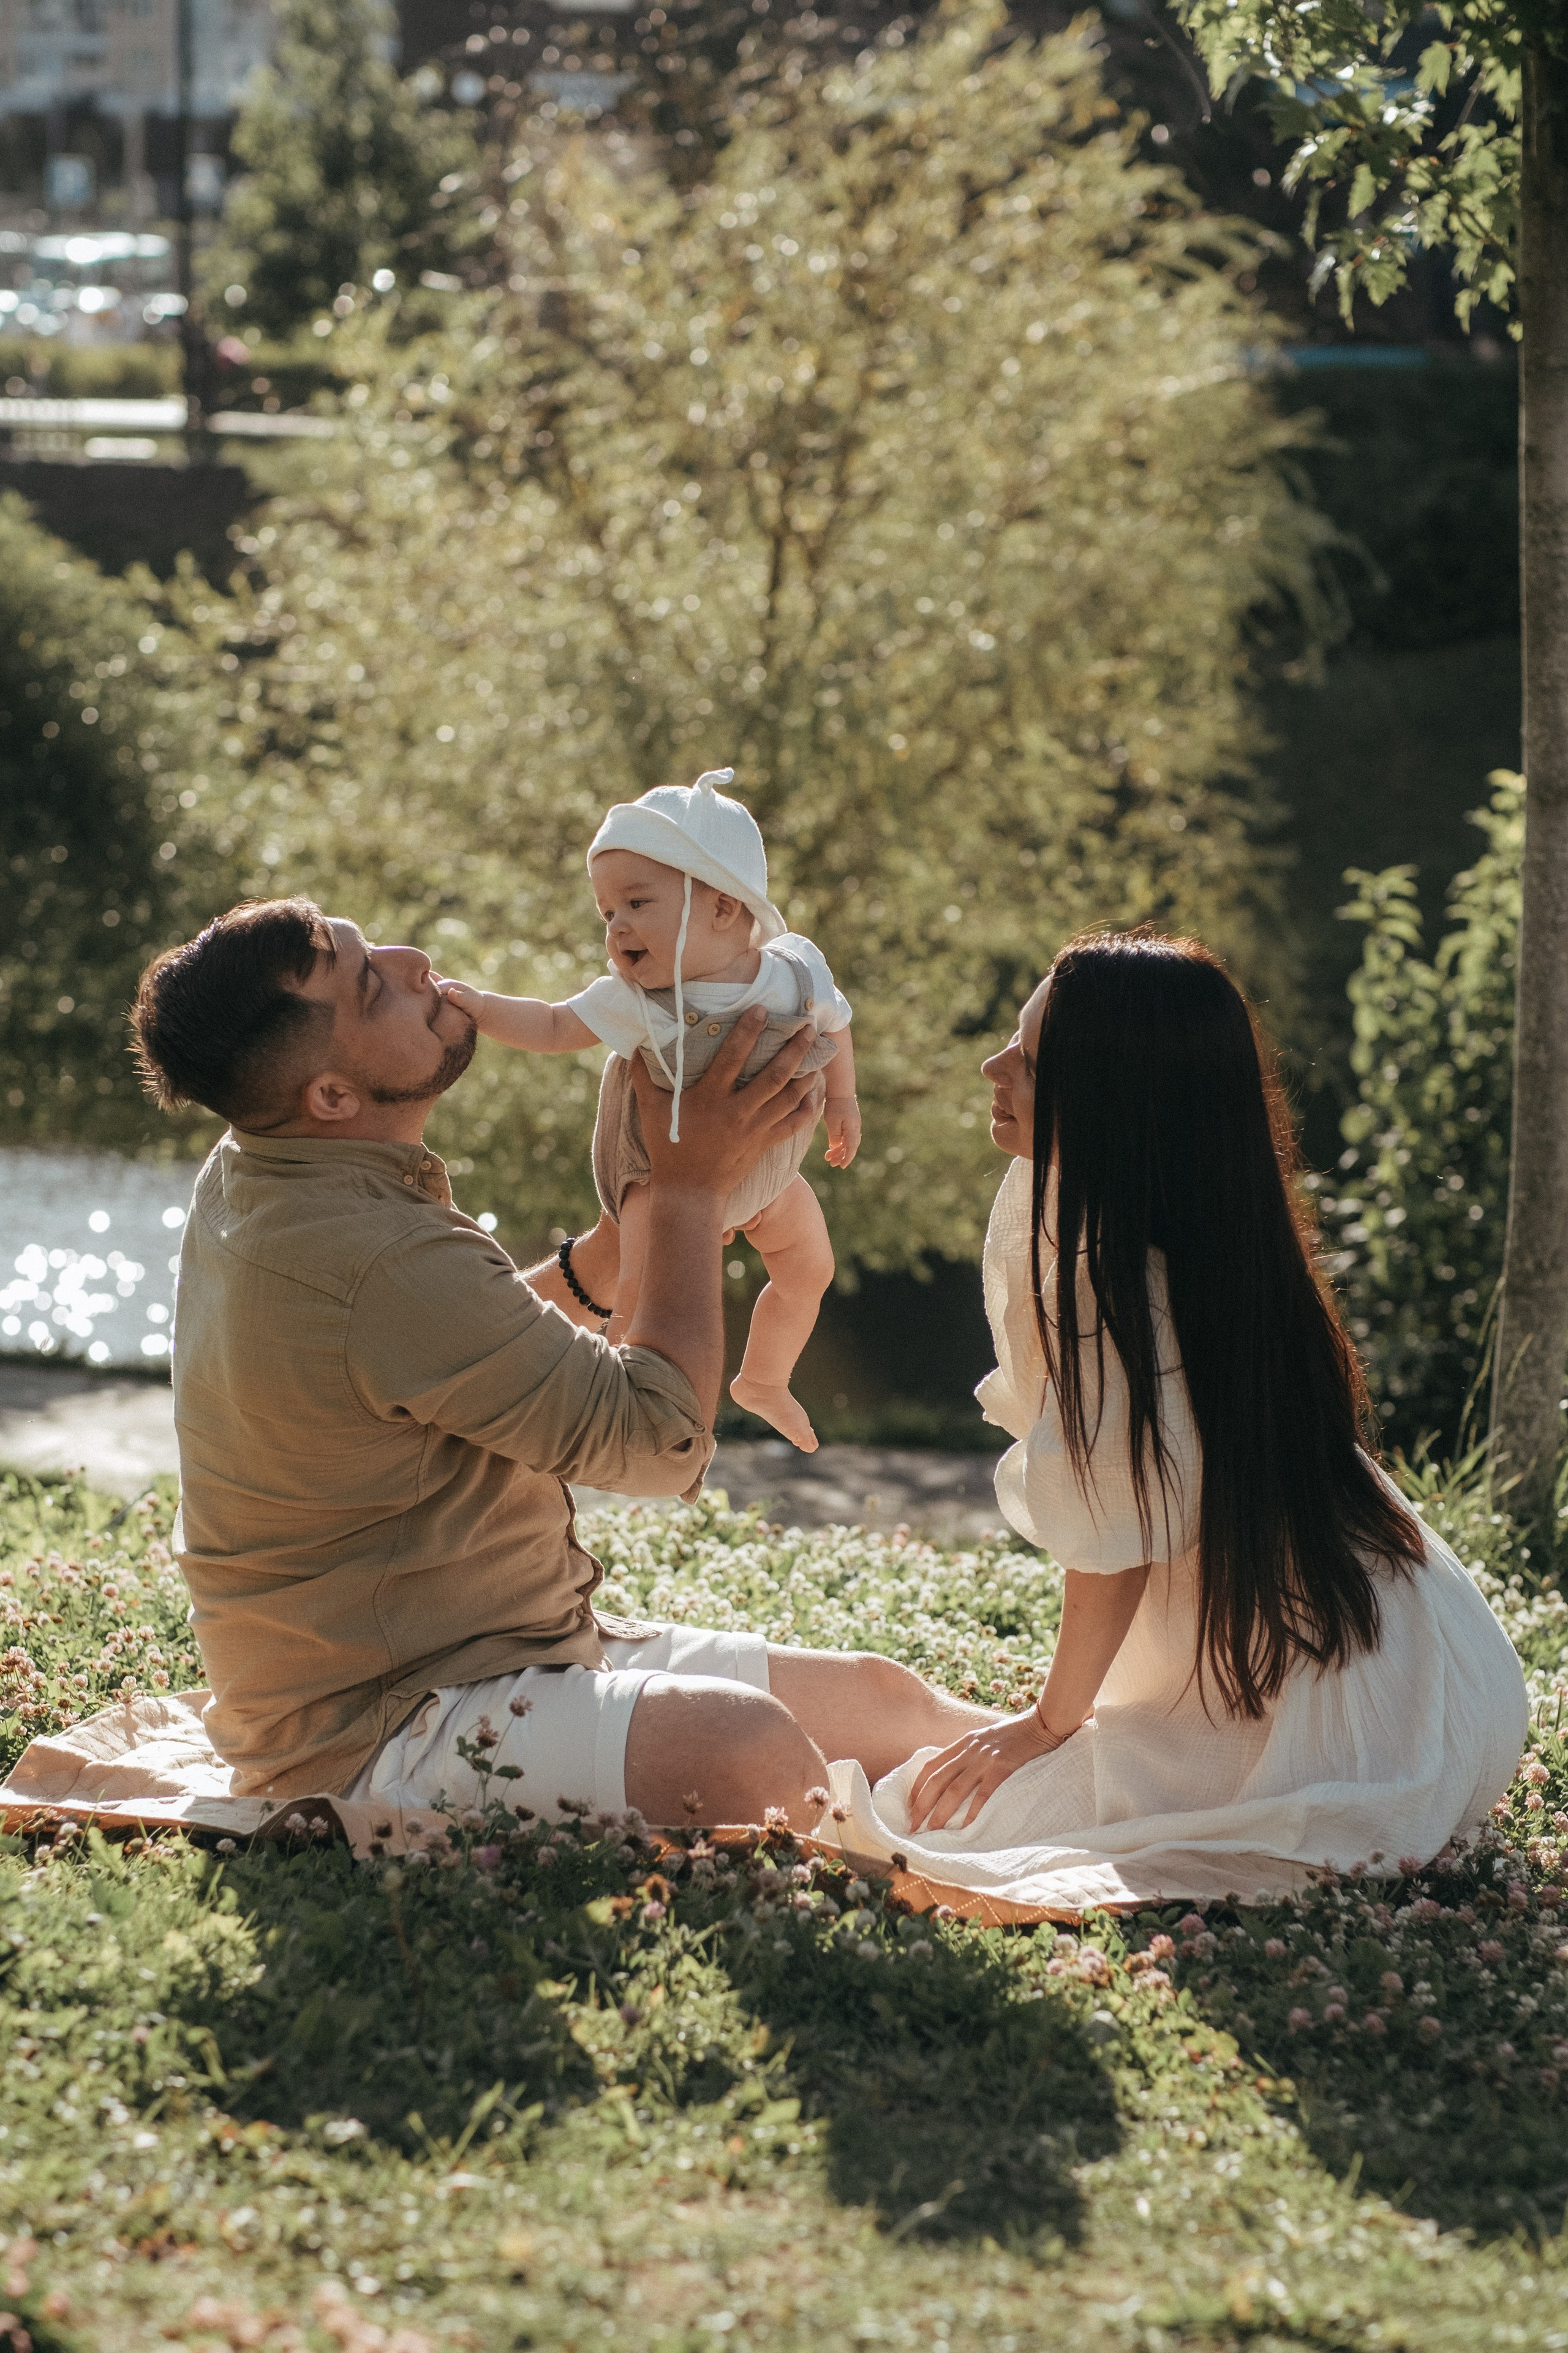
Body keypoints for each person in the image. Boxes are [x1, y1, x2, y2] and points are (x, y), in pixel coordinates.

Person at [128, 896, 989, 1829]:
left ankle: (1114, 1763)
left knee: (885, 1701)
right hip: (386, 1725)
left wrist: (626, 1238)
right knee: (755, 1752)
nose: (415, 958)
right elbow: (661, 1443)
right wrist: (689, 1192)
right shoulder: (377, 1256)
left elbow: (457, 1351)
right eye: (371, 981)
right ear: (330, 1096)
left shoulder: (262, 1164)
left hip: (510, 1648)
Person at [834, 931, 1526, 1900]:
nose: (993, 1068)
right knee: (956, 1788)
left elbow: (1114, 1547)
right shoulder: (1209, 1240)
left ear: (1115, 1102)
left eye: (1030, 1061)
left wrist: (1047, 1724)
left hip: (1349, 1738)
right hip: (1447, 1685)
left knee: (917, 1816)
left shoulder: (1109, 1282)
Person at [443, 768, 859, 1454]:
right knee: (639, 1295)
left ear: (725, 907)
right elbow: (551, 1026)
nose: (618, 928)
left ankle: (764, 1377)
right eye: (607, 913)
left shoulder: (795, 971)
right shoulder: (634, 999)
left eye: (637, 903)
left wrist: (843, 1100)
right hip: (662, 1184)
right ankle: (613, 1409)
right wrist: (482, 1008)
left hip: (768, 1179)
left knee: (810, 1268)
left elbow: (836, 1024)